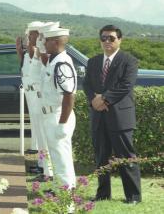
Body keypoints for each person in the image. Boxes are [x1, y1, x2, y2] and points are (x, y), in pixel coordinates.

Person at [83, 25, 141, 204]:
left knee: (126, 157)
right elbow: (87, 85)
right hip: (98, 116)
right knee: (101, 157)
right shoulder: (93, 61)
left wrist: (104, 99)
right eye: (103, 38)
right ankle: (102, 194)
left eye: (111, 38)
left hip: (120, 118)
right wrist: (94, 99)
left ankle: (133, 196)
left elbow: (126, 85)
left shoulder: (129, 60)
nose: (107, 41)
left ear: (120, 40)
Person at [40, 27, 77, 189]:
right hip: (53, 115)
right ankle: (65, 189)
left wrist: (62, 123)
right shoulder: (54, 60)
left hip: (58, 116)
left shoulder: (61, 63)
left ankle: (65, 196)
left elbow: (69, 95)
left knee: (61, 158)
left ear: (55, 42)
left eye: (46, 40)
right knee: (59, 156)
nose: (44, 43)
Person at [16, 22, 53, 180]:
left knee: (43, 136)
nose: (27, 37)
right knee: (39, 135)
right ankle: (42, 165)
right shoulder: (32, 50)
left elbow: (33, 54)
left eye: (30, 34)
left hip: (39, 96)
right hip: (32, 94)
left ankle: (47, 171)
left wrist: (32, 42)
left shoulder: (40, 50)